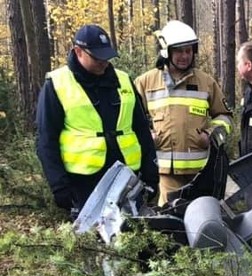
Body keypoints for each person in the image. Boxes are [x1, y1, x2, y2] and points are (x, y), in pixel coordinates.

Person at [36, 24, 158, 216]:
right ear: (78, 52)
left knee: (134, 238)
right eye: (97, 57)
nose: (103, 62)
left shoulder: (123, 81)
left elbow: (141, 130)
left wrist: (151, 174)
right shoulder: (58, 84)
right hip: (83, 184)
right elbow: (46, 140)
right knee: (94, 243)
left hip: (127, 178)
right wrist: (59, 185)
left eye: (107, 56)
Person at [135, 20, 233, 205]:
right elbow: (131, 119)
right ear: (167, 51)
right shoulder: (145, 82)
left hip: (202, 172)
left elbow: (225, 117)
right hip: (166, 174)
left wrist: (210, 135)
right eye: (179, 51)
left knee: (201, 220)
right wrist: (147, 135)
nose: (185, 56)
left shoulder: (206, 82)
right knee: (171, 223)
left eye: (189, 51)